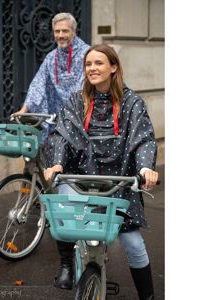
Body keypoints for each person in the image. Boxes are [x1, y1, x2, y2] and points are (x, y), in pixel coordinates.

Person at [44, 44, 159, 300]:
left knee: (134, 245)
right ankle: (66, 266)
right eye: (88, 64)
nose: (92, 69)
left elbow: (143, 139)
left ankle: (148, 296)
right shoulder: (77, 100)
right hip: (81, 179)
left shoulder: (132, 102)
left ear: (113, 67)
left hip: (120, 182)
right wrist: (57, 163)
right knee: (61, 209)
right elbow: (63, 134)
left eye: (99, 63)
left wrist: (145, 167)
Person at [13, 12, 90, 138]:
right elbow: (38, 83)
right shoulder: (51, 58)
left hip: (81, 116)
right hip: (57, 119)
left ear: (73, 31)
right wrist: (24, 111)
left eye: (65, 31)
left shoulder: (87, 54)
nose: (60, 35)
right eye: (57, 31)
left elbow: (88, 84)